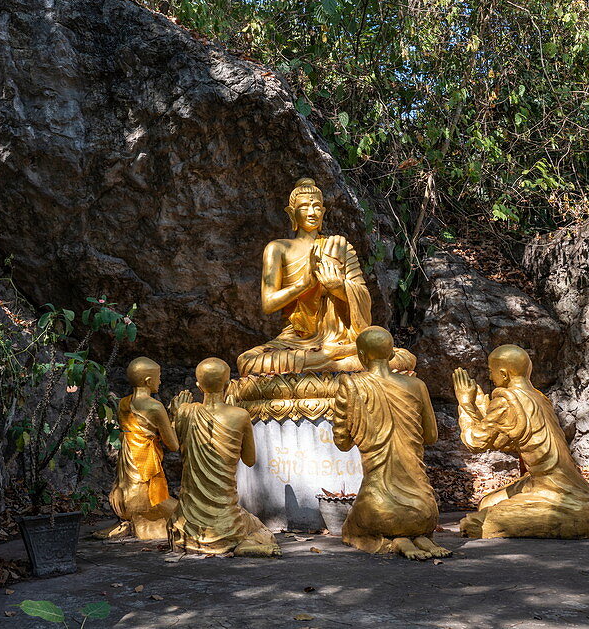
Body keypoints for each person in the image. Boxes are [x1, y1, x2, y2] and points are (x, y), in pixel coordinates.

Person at [454, 345, 589, 539]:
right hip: (577, 493)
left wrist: (464, 402)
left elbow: (475, 441)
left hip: (552, 490)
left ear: (504, 375)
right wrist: (479, 404)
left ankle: (585, 521)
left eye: (491, 371)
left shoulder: (507, 400)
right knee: (487, 503)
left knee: (479, 522)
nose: (489, 377)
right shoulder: (538, 397)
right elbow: (504, 440)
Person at [237, 178, 415, 376]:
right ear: (291, 213)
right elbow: (268, 304)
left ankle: (334, 356)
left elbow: (363, 295)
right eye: (304, 207)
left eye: (317, 207)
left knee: (400, 357)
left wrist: (338, 287)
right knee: (248, 362)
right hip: (295, 341)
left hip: (338, 338)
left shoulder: (338, 247)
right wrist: (305, 284)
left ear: (323, 211)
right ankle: (335, 359)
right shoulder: (278, 248)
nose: (312, 213)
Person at [333, 327, 450, 559]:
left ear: (361, 355)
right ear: (391, 354)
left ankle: (396, 542)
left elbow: (342, 442)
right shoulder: (417, 386)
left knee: (351, 530)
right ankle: (418, 538)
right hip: (424, 511)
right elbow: (431, 436)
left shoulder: (352, 385)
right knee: (414, 525)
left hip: (378, 510)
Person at [169, 357, 279, 557]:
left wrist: (176, 415)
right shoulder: (240, 415)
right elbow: (250, 460)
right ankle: (244, 545)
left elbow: (172, 444)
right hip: (227, 519)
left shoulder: (186, 412)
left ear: (198, 386)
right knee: (261, 531)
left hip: (187, 526)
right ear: (228, 385)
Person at [95, 357, 178, 540]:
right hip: (147, 493)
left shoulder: (122, 404)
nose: (161, 381)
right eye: (159, 377)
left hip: (122, 493)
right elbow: (173, 445)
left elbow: (138, 431)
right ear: (149, 381)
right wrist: (176, 416)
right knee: (186, 514)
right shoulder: (155, 407)